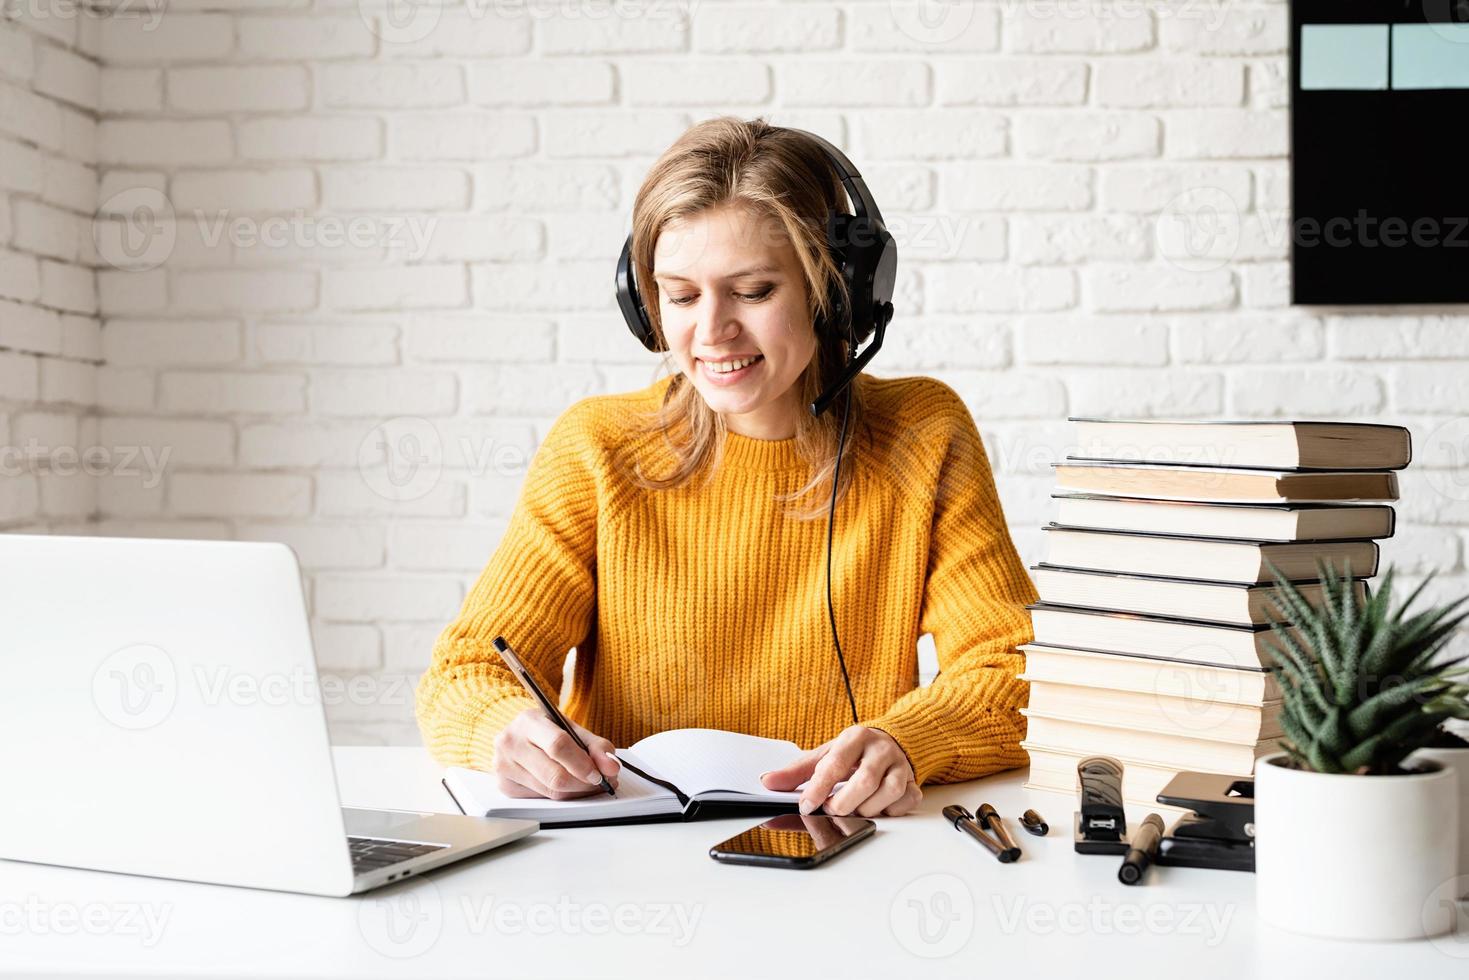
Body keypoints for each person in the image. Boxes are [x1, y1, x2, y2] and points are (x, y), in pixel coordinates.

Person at [414, 116, 1038, 819]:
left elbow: (1016, 670)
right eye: (680, 296)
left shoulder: (921, 434)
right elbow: (465, 672)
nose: (710, 332)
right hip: (627, 863)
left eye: (752, 292)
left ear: (833, 292)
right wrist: (508, 729)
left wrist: (911, 740)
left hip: (841, 852)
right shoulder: (596, 447)